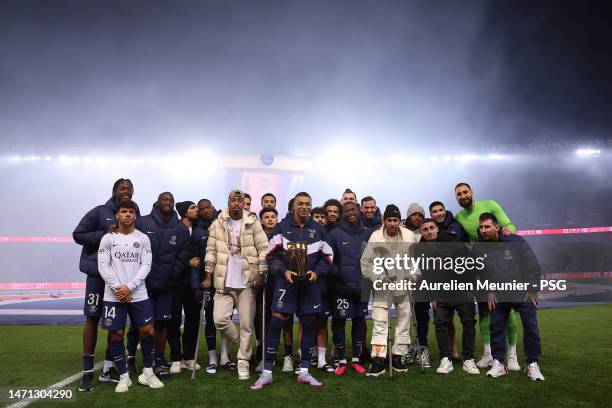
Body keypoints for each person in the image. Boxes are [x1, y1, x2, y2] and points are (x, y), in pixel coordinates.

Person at [251, 192, 333, 390]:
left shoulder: (319, 229)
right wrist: (284, 270)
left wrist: (317, 272)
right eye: (300, 204)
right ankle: (267, 373)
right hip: (285, 283)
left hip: (310, 285)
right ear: (294, 206)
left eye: (308, 204)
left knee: (309, 325)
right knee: (276, 323)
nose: (304, 207)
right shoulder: (281, 228)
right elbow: (270, 256)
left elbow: (328, 256)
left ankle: (304, 371)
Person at [73, 178, 134, 391]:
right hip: (98, 277)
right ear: (115, 191)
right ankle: (88, 372)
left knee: (114, 323)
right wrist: (103, 234)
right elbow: (77, 234)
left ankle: (108, 368)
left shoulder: (132, 214)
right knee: (92, 318)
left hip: (120, 279)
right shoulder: (100, 212)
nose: (125, 191)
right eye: (122, 188)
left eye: (129, 189)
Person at [97, 199, 163, 392]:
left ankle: (148, 373)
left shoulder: (143, 238)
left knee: (148, 330)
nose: (127, 214)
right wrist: (118, 287)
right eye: (124, 211)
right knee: (116, 333)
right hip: (113, 294)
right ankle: (124, 376)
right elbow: (103, 265)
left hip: (138, 292)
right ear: (117, 215)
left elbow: (146, 265)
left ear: (135, 216)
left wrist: (130, 287)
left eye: (131, 212)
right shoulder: (108, 238)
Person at [454, 182, 520, 370]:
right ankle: (488, 354)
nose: (463, 196)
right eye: (459, 194)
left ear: (472, 193)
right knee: (484, 308)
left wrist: (508, 232)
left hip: (500, 262)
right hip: (480, 266)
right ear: (456, 198)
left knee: (505, 307)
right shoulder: (459, 217)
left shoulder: (490, 204)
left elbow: (509, 226)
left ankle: (512, 355)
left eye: (465, 192)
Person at [204, 190, 269, 380]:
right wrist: (208, 275)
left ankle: (243, 360)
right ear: (228, 203)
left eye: (240, 201)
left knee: (247, 324)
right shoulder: (217, 224)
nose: (237, 204)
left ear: (244, 204)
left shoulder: (253, 222)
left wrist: (261, 272)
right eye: (233, 200)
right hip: (223, 281)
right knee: (219, 319)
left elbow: (264, 248)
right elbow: (210, 251)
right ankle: (243, 346)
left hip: (247, 281)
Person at [473, 213, 545, 381]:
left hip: (522, 291)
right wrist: (489, 291)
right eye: (481, 227)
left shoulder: (516, 241)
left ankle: (532, 364)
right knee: (496, 327)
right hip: (499, 293)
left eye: (487, 226)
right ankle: (498, 363)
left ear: (496, 227)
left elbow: (532, 264)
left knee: (531, 327)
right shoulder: (478, 248)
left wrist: (533, 289)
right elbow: (481, 272)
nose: (483, 230)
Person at [127, 192, 190, 380]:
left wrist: (170, 275)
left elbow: (183, 255)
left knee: (163, 323)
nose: (168, 202)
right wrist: (141, 277)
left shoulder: (180, 229)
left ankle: (158, 359)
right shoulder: (143, 222)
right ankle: (131, 358)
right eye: (165, 199)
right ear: (157, 202)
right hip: (143, 284)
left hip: (167, 284)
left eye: (171, 200)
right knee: (139, 324)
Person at [417, 219, 479, 375]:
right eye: (425, 229)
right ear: (422, 233)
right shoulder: (419, 250)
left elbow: (469, 263)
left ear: (437, 229)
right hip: (440, 293)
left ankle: (469, 359)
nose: (429, 231)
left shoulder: (452, 241)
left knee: (469, 322)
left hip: (461, 290)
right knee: (440, 324)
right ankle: (446, 358)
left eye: (431, 228)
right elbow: (425, 274)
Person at [363, 204, 418, 377]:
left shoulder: (409, 235)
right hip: (383, 288)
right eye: (389, 220)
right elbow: (366, 263)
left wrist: (414, 276)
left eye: (395, 220)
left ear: (399, 221)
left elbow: (416, 260)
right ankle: (378, 359)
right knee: (380, 323)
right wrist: (380, 278)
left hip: (403, 287)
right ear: (384, 221)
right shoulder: (376, 236)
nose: (392, 223)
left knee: (404, 322)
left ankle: (398, 356)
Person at [326, 201, 374, 376]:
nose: (351, 213)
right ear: (342, 214)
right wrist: (339, 275)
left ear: (359, 211)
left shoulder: (368, 233)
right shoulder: (334, 234)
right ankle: (341, 361)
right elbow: (328, 260)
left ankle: (355, 359)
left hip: (362, 286)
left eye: (353, 209)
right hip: (341, 288)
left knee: (359, 322)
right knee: (339, 322)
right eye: (346, 211)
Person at [191, 198, 226, 374]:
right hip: (208, 282)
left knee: (225, 319)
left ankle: (226, 357)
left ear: (213, 207)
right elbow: (196, 261)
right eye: (201, 209)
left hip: (227, 279)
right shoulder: (197, 232)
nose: (205, 211)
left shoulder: (223, 222)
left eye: (207, 207)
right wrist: (197, 287)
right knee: (211, 320)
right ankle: (213, 359)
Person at [167, 201, 203, 374]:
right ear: (184, 212)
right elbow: (168, 254)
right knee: (173, 321)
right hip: (175, 282)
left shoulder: (198, 229)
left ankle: (188, 357)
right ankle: (175, 358)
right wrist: (187, 262)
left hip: (193, 284)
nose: (196, 211)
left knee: (193, 320)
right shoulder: (173, 229)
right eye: (193, 208)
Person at [403, 202, 431, 367]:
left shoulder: (425, 234)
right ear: (408, 216)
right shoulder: (402, 233)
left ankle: (422, 350)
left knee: (422, 317)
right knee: (404, 317)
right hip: (405, 280)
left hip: (422, 283)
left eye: (420, 214)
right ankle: (405, 350)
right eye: (414, 214)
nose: (417, 217)